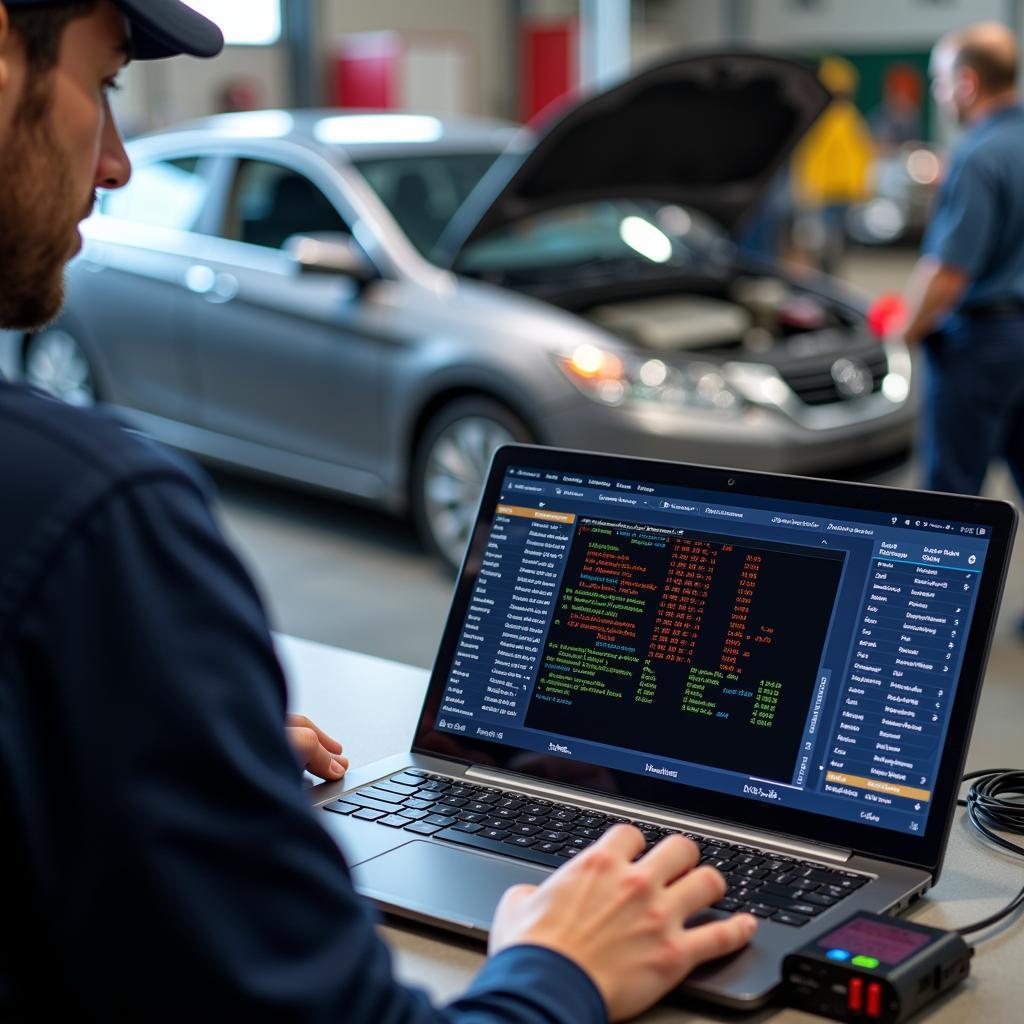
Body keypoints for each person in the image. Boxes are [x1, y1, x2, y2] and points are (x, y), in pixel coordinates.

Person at [0, 2, 757, 1020]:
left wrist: (146, 734)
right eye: (105, 86)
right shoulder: (90, 516)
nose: (118, 166)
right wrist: (556, 970)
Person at [901, 22, 1024, 504]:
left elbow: (949, 273)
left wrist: (902, 334)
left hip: (979, 344)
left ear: (967, 83)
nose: (937, 91)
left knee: (946, 501)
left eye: (940, 79)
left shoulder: (977, 155)